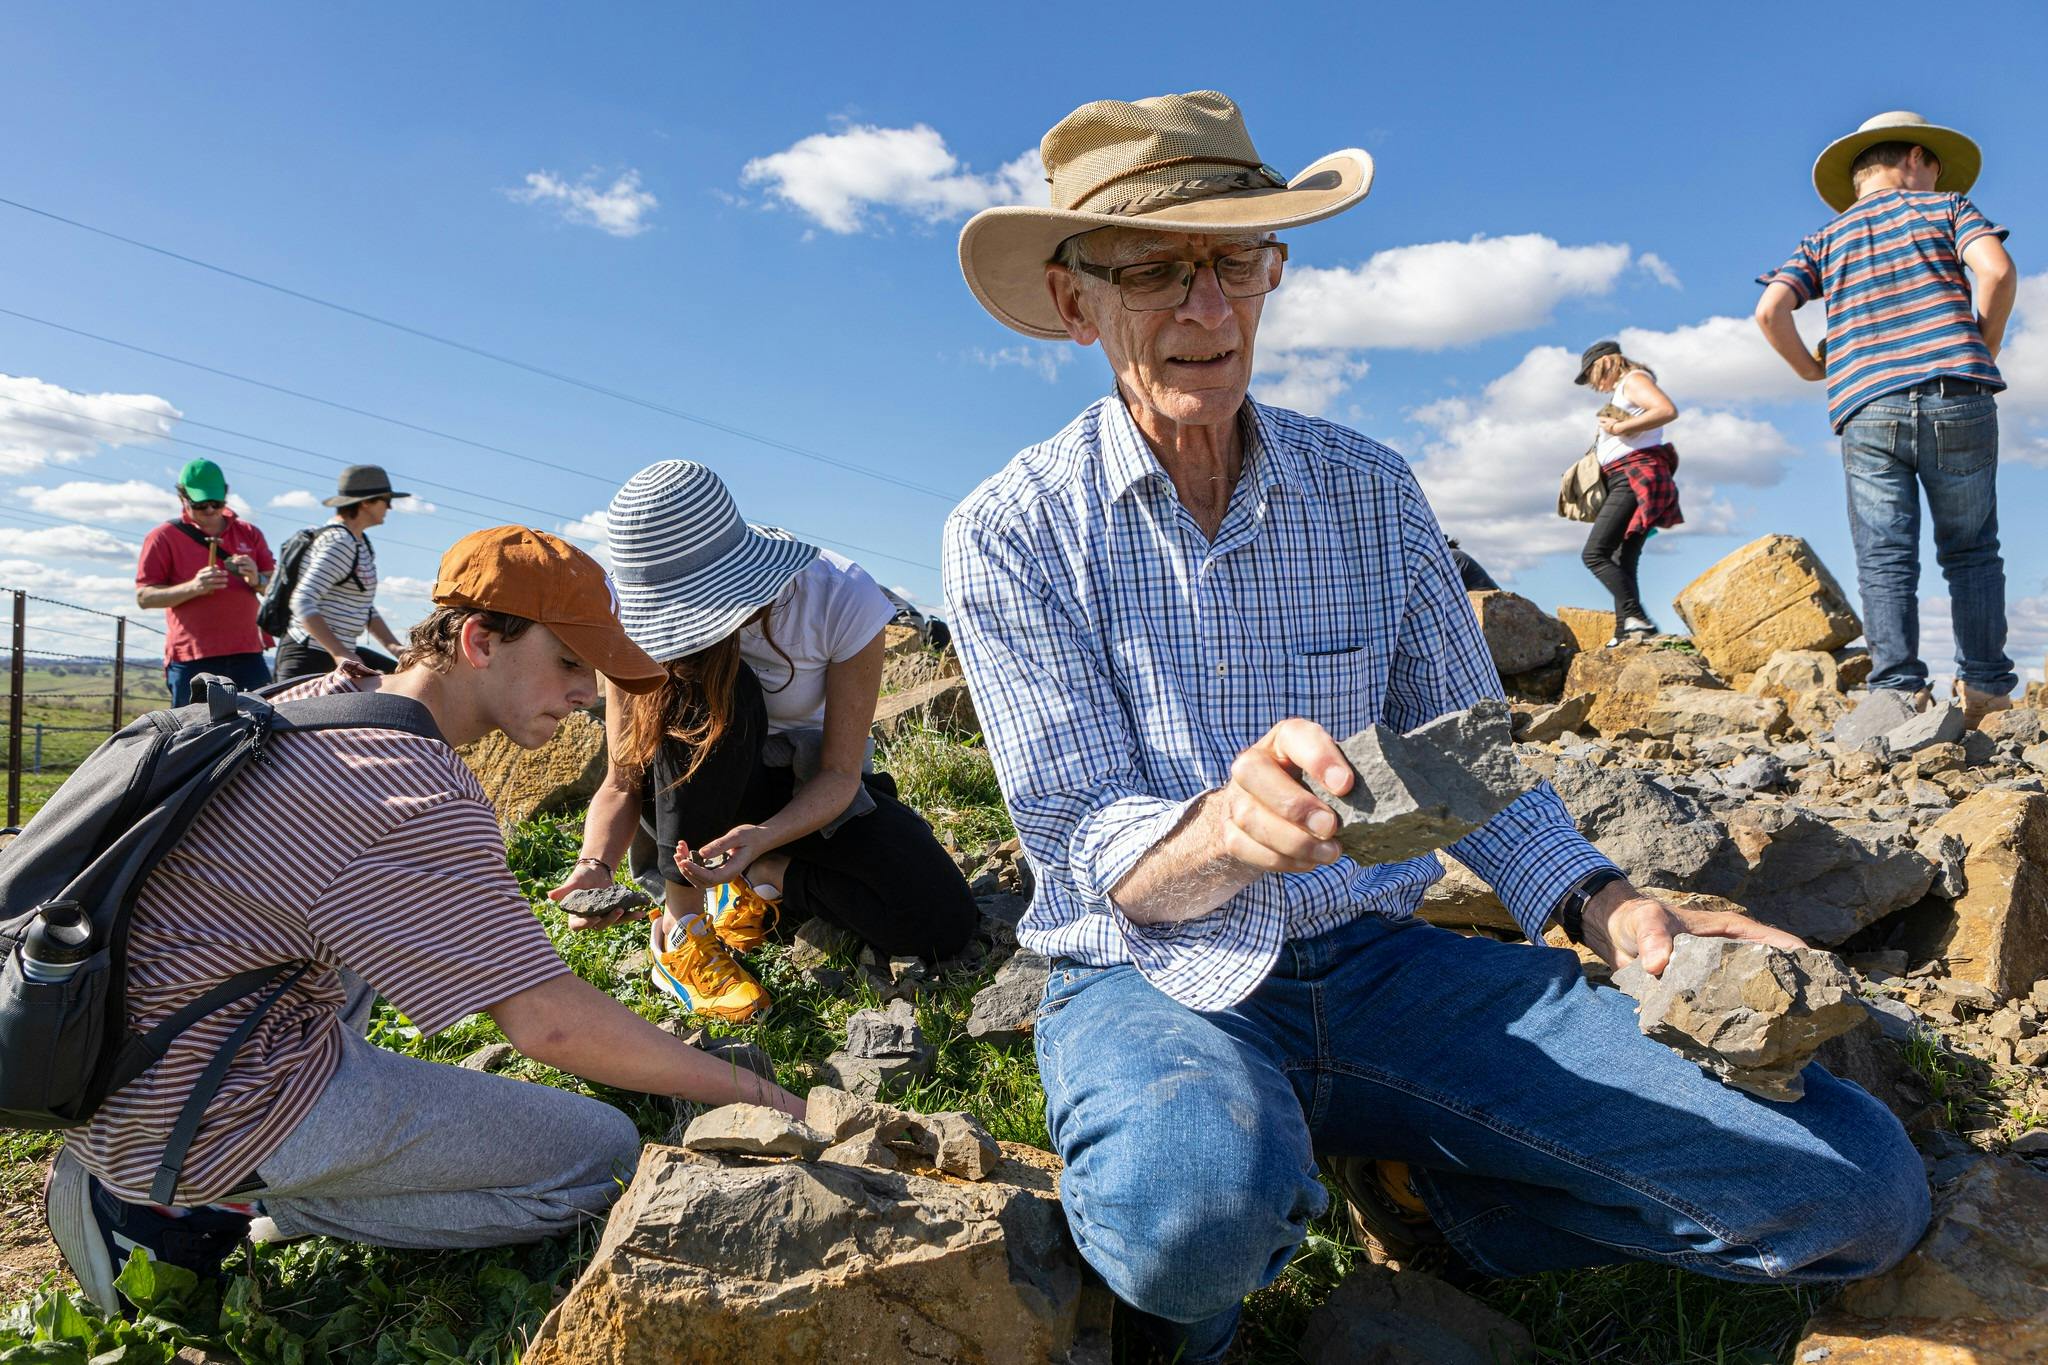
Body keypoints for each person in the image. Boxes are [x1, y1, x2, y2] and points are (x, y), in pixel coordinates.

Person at [945, 90, 1928, 1362]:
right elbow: (1082, 835)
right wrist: (1228, 829)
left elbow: (1469, 763)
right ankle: (1221, 1246)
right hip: (1148, 981)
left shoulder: (1366, 488)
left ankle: (1437, 1203)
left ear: (1271, 272)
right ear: (1075, 302)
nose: (1205, 310)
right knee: (1188, 1221)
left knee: (1854, 1195)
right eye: (1152, 273)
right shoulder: (1012, 531)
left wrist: (1602, 905)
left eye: (1233, 264)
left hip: (1381, 969)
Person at [44, 526, 803, 1316]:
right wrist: (749, 1092)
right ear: (480, 639)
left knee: (354, 947)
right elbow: (548, 1026)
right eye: (571, 664)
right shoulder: (417, 789)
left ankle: (182, 1168)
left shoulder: (320, 700)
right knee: (603, 1153)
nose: (587, 696)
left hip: (117, 1056)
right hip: (202, 1103)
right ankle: (187, 1205)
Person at [550, 460, 976, 1023]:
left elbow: (840, 775)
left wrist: (764, 839)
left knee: (941, 921)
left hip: (807, 789)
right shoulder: (635, 623)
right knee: (717, 688)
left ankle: (767, 875)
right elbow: (624, 779)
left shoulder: (841, 598)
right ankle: (682, 927)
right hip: (687, 795)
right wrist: (596, 864)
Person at [1755, 109, 2018, 728]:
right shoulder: (1947, 208)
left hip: (1868, 406)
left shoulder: (1824, 238)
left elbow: (1771, 311)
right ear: (1916, 160)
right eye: (1935, 168)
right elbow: (1998, 271)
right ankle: (1985, 692)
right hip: (1959, 393)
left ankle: (1896, 692)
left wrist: (1809, 371)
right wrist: (1987, 340)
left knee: (1884, 556)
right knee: (1974, 551)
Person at [134, 459, 276, 706]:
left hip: (248, 653)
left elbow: (275, 589)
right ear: (183, 498)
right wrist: (194, 587)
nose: (210, 510)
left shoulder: (249, 533)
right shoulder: (163, 537)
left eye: (217, 503)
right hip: (192, 658)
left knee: (261, 731)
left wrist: (257, 578)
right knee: (194, 736)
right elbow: (144, 597)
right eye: (200, 505)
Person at [1571, 340, 1682, 644]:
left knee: (1594, 554)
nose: (1594, 385)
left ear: (1605, 363)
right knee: (1621, 557)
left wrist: (1618, 429)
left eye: (1591, 375)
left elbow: (1666, 409)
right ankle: (1625, 632)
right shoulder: (1626, 386)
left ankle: (1637, 618)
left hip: (1634, 475)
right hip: (1632, 475)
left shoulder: (1634, 380)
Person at [273, 465, 409, 680]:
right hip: (310, 656)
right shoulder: (340, 542)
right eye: (387, 500)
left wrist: (395, 648)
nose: (389, 508)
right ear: (366, 502)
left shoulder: (359, 542)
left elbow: (363, 606)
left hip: (333, 653)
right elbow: (301, 600)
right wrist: (340, 653)